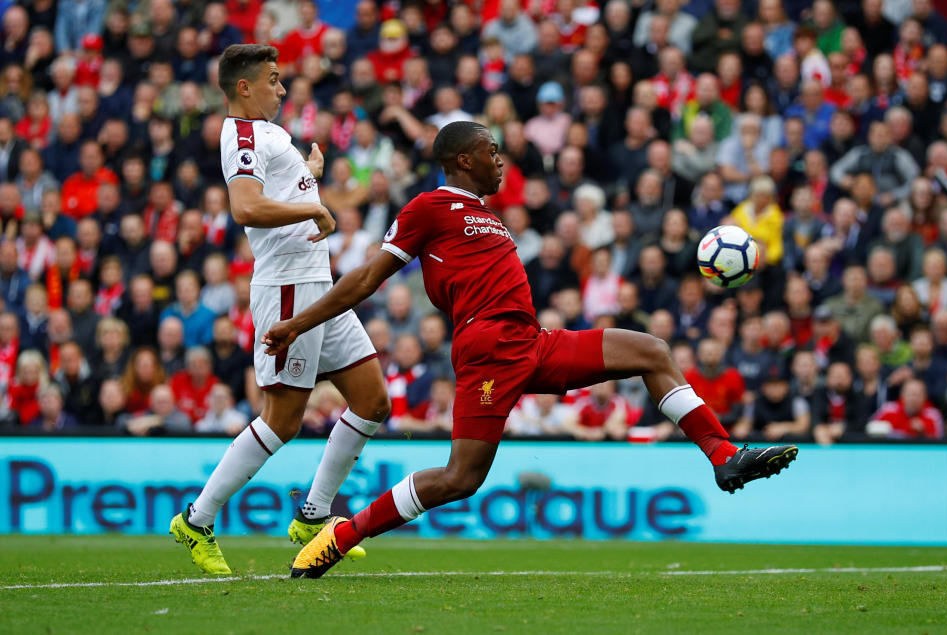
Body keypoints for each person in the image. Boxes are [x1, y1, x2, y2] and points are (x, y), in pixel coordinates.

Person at [261, 121, 799, 579]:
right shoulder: (429, 206)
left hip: (534, 342)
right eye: (493, 152)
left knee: (652, 350)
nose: (501, 162)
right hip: (489, 348)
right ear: (464, 158)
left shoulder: (487, 215)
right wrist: (298, 324)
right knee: (460, 479)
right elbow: (365, 279)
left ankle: (725, 457)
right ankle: (338, 537)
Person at [169, 45, 390, 576]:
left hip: (319, 284)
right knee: (284, 420)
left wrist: (308, 175)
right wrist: (313, 204)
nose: (282, 88)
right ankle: (196, 520)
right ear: (243, 88)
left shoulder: (270, 135)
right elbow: (246, 207)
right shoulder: (240, 135)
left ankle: (313, 516)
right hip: (289, 288)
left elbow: (276, 192)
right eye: (272, 79)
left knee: (373, 401)